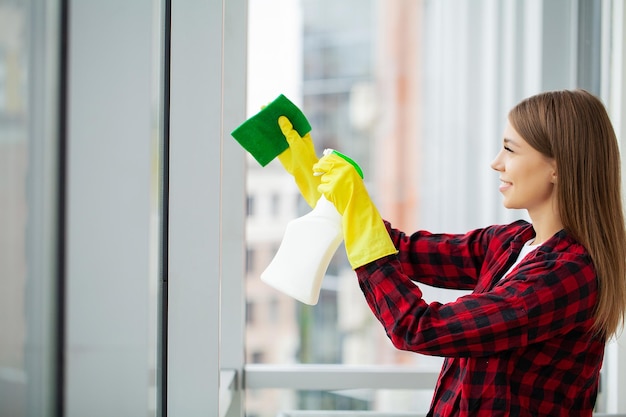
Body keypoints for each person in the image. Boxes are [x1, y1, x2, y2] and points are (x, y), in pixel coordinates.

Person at [276, 89, 626, 416]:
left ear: (557, 167)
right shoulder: (512, 243)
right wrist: (319, 185)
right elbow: (403, 251)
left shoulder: (567, 274)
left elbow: (418, 327)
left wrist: (356, 210)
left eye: (511, 149)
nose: (496, 163)